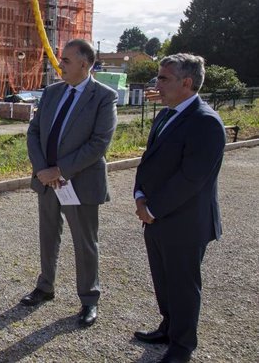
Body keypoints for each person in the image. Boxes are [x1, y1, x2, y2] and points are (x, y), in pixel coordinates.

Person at [133, 54, 225, 363]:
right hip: (156, 216)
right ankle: (168, 327)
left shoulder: (205, 122)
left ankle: (183, 345)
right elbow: (149, 161)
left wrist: (153, 208)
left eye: (163, 78)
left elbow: (191, 179)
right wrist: (140, 194)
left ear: (186, 83)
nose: (156, 84)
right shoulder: (166, 115)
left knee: (183, 284)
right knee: (163, 279)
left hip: (185, 222)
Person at [22, 39, 117, 327]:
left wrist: (59, 171)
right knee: (48, 235)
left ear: (84, 64)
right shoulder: (52, 93)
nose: (59, 64)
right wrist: (42, 170)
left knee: (85, 242)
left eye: (65, 60)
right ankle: (45, 286)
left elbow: (99, 144)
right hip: (47, 181)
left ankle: (89, 299)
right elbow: (34, 132)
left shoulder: (103, 97)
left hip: (79, 182)